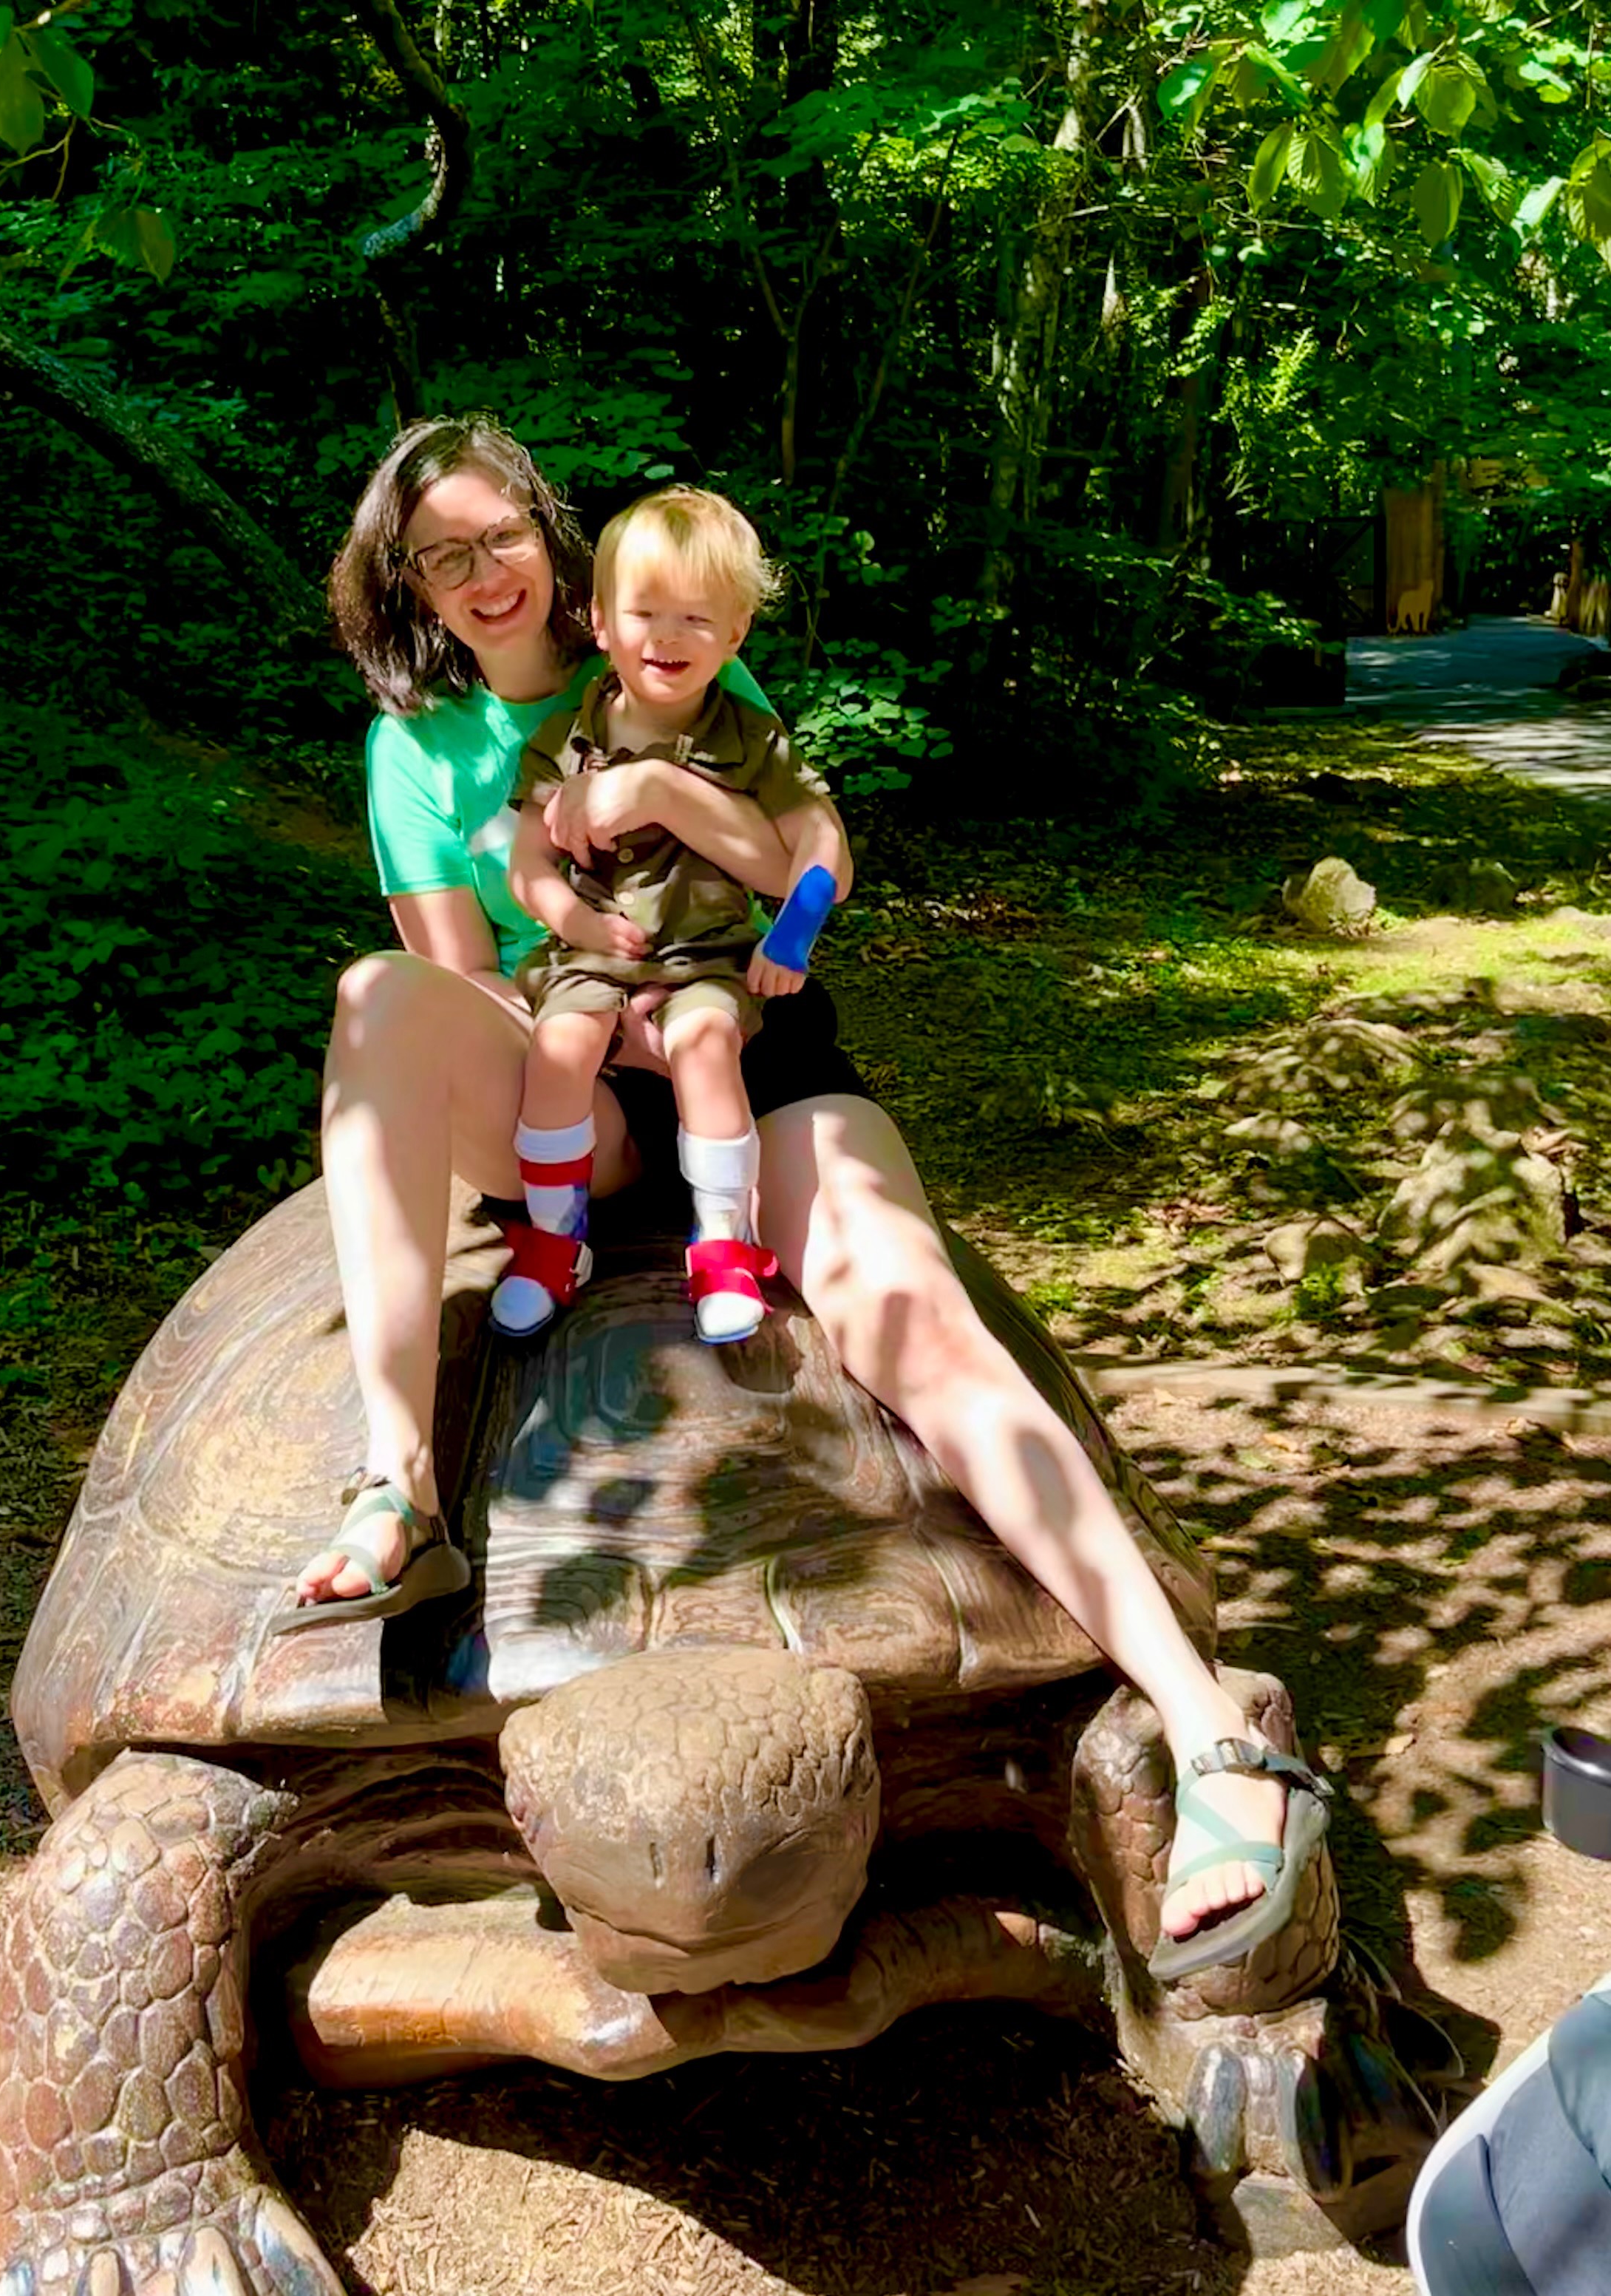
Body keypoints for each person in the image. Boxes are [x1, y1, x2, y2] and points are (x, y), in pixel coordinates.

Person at [285, 412, 1316, 1979]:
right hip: (573, 1094)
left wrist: (659, 796)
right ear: (405, 585)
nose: (481, 573)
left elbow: (797, 864)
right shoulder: (413, 753)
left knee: (916, 1321)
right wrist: (593, 993)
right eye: (440, 555)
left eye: (499, 535)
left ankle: (1207, 1725)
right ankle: (399, 1480)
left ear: (550, 539)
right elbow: (459, 982)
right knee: (375, 998)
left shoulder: (672, 647)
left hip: (754, 1065)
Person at [494, 485, 845, 1345]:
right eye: (644, 611)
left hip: (708, 955)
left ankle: (724, 1241)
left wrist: (793, 932)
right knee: (560, 1045)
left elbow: (820, 841)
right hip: (592, 951)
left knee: (706, 1042)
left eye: (696, 616)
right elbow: (527, 865)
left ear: (735, 633)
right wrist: (575, 924)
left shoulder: (751, 740)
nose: (667, 635)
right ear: (600, 622)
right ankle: (554, 1239)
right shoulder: (566, 740)